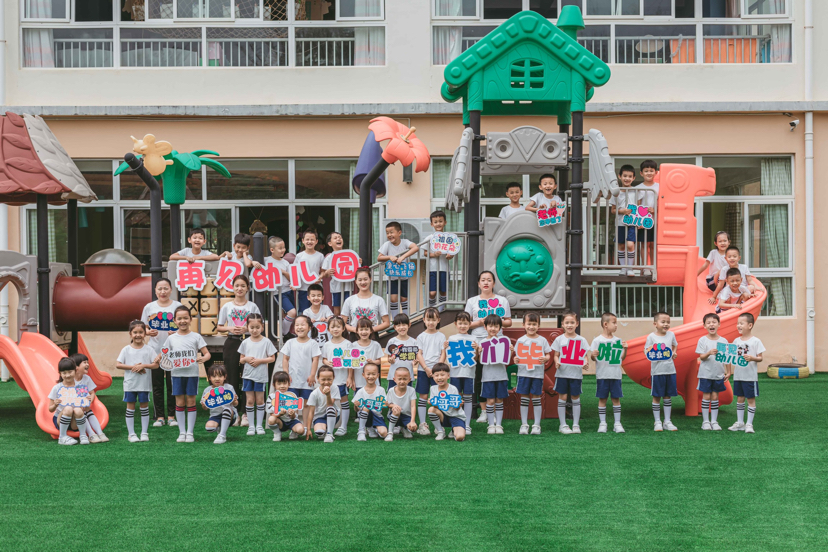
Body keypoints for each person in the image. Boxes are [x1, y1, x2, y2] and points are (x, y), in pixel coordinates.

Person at [156, 305, 210, 443]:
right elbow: (164, 352)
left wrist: (203, 358)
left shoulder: (196, 336)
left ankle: (190, 433)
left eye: (185, 318)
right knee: (179, 402)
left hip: (191, 374)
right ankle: (182, 432)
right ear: (174, 320)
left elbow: (207, 354)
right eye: (179, 318)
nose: (182, 321)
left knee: (191, 401)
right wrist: (159, 358)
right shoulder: (171, 338)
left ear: (191, 319)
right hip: (176, 374)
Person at [464, 271, 512, 424]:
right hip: (478, 341)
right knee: (479, 376)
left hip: (497, 343)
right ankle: (484, 410)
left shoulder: (502, 300)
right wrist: (480, 322)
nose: (486, 282)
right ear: (479, 284)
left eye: (489, 280)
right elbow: (465, 324)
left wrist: (495, 322)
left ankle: (496, 410)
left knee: (496, 375)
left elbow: (509, 321)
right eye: (483, 280)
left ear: (494, 283)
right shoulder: (472, 301)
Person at [216, 274, 261, 427]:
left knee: (247, 377)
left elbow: (259, 325)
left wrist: (247, 329)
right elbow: (219, 327)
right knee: (231, 377)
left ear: (248, 288)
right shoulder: (227, 306)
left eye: (243, 286)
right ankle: (233, 413)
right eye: (237, 286)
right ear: (232, 287)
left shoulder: (252, 306)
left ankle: (246, 413)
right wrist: (230, 328)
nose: (239, 288)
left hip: (249, 342)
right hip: (232, 342)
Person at [141, 277, 182, 428]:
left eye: (166, 288)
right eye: (160, 289)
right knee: (157, 385)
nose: (163, 291)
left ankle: (171, 416)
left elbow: (185, 326)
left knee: (172, 385)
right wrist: (147, 332)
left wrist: (177, 332)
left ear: (171, 290)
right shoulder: (149, 307)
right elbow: (143, 327)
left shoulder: (178, 306)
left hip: (173, 351)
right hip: (154, 351)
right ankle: (159, 417)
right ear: (155, 291)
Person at [115, 320, 159, 443]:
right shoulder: (126, 349)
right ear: (130, 334)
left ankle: (144, 433)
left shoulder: (149, 349)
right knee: (130, 408)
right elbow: (118, 364)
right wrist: (134, 367)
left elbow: (156, 365)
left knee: (144, 408)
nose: (138, 335)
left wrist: (143, 365)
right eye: (135, 332)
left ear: (145, 333)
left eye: (141, 332)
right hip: (130, 385)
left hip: (144, 385)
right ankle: (131, 434)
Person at [238, 313, 277, 436]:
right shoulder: (245, 342)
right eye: (252, 327)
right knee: (250, 400)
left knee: (260, 400)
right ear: (247, 327)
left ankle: (259, 425)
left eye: (257, 327)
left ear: (262, 327)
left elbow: (272, 358)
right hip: (248, 376)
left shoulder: (266, 341)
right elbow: (241, 359)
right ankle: (251, 426)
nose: (254, 330)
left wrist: (260, 361)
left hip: (260, 376)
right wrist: (246, 359)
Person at [551, 311, 589, 435]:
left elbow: (584, 355)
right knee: (562, 398)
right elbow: (556, 355)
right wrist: (557, 362)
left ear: (577, 323)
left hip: (576, 375)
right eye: (567, 322)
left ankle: (576, 424)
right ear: (562, 324)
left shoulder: (581, 340)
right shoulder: (559, 339)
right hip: (562, 374)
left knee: (575, 398)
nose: (569, 325)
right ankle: (562, 424)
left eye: (572, 322)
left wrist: (585, 362)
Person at [440, 311, 479, 433]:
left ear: (470, 324)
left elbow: (476, 359)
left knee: (468, 398)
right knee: (455, 399)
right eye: (460, 323)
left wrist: (477, 350)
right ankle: (456, 423)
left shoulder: (473, 339)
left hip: (469, 373)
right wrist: (444, 347)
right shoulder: (451, 339)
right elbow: (447, 355)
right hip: (455, 373)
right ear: (455, 324)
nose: (463, 326)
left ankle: (467, 424)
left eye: (465, 323)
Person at [589, 312, 627, 434]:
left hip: (616, 375)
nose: (616, 325)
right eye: (614, 323)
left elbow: (622, 358)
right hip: (602, 375)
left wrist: (625, 349)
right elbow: (593, 358)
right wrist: (593, 355)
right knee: (602, 399)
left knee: (616, 399)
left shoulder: (618, 340)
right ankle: (602, 423)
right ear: (605, 324)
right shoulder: (597, 340)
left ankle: (617, 423)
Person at [515, 312, 551, 435]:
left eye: (534, 324)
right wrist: (515, 359)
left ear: (538, 325)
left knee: (536, 398)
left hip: (537, 374)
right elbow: (517, 356)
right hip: (523, 373)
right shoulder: (521, 340)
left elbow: (548, 354)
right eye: (529, 324)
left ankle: (536, 425)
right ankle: (524, 424)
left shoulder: (542, 340)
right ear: (523, 325)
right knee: (524, 398)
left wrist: (546, 358)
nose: (531, 327)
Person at [729, 313, 765, 434]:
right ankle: (740, 423)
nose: (738, 325)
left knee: (750, 399)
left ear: (750, 325)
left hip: (750, 377)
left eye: (741, 323)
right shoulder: (736, 341)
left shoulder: (756, 341)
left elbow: (760, 358)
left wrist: (752, 358)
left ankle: (749, 424)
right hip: (738, 376)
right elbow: (730, 356)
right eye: (737, 323)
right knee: (740, 399)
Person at [255, 236, 295, 338]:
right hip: (278, 292)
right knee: (292, 312)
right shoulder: (266, 261)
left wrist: (283, 272)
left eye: (284, 247)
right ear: (272, 250)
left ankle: (284, 333)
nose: (283, 250)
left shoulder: (285, 262)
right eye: (280, 248)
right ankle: (284, 333)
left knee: (289, 314)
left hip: (288, 291)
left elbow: (291, 278)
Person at [414, 307, 446, 435]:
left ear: (438, 320)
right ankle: (422, 424)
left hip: (437, 372)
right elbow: (419, 354)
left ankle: (439, 425)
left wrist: (437, 369)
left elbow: (443, 353)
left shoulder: (441, 336)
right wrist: (426, 368)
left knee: (438, 397)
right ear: (424, 320)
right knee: (423, 396)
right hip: (423, 370)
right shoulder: (421, 337)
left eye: (433, 320)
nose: (431, 322)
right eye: (428, 319)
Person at [646, 311, 679, 432]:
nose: (666, 324)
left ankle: (667, 421)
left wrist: (674, 353)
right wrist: (651, 352)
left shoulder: (671, 335)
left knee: (667, 396)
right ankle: (657, 421)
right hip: (657, 372)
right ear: (655, 324)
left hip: (670, 370)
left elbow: (675, 345)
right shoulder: (651, 337)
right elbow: (647, 351)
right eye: (663, 322)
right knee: (656, 396)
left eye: (668, 322)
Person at [378, 221, 419, 318]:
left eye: (391, 232)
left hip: (404, 276)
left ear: (399, 233)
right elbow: (379, 258)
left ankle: (406, 319)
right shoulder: (387, 244)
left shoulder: (405, 242)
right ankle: (395, 320)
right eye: (387, 233)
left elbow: (415, 248)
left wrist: (403, 257)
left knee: (404, 298)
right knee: (393, 299)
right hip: (392, 277)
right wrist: (389, 257)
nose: (389, 235)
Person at [695, 313, 729, 431]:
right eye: (708, 323)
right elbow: (701, 357)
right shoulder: (702, 340)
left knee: (715, 397)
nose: (711, 325)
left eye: (714, 322)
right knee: (706, 396)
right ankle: (705, 422)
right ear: (704, 326)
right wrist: (709, 353)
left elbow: (727, 358)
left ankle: (714, 421)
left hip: (718, 374)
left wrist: (728, 372)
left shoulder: (723, 341)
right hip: (705, 374)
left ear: (719, 324)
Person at [479, 314, 511, 435]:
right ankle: (491, 425)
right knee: (490, 401)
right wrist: (478, 352)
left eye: (496, 326)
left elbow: (507, 359)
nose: (493, 329)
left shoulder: (504, 341)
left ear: (500, 328)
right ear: (485, 327)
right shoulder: (482, 342)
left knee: (499, 400)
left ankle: (499, 424)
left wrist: (511, 351)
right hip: (488, 377)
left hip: (501, 376)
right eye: (490, 326)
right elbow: (479, 360)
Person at [321, 316, 353, 436]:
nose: (335, 329)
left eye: (338, 327)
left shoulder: (348, 344)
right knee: (330, 401)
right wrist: (326, 362)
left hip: (342, 378)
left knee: (344, 401)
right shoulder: (327, 344)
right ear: (328, 329)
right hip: (329, 380)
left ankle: (343, 426)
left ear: (343, 328)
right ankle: (328, 425)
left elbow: (351, 362)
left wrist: (350, 377)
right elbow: (324, 358)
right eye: (333, 327)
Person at [279, 314, 321, 401]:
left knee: (306, 403)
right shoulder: (290, 342)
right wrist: (286, 374)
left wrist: (312, 375)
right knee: (292, 402)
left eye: (302, 325)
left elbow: (315, 360)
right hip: (292, 380)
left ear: (309, 328)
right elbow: (285, 359)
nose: (299, 327)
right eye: (297, 325)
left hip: (307, 380)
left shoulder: (313, 343)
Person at [48, 358, 88, 445]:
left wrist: (84, 404)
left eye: (70, 372)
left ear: (75, 371)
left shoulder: (80, 386)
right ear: (60, 374)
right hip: (60, 419)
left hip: (75, 421)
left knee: (77, 409)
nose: (67, 375)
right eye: (64, 373)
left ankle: (83, 435)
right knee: (68, 408)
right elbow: (50, 409)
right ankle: (62, 437)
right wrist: (55, 404)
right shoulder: (57, 388)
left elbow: (86, 405)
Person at [608, 165, 638, 276]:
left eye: (630, 176)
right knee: (621, 245)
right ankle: (623, 268)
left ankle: (630, 268)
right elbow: (613, 210)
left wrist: (639, 220)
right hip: (620, 223)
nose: (627, 178)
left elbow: (640, 208)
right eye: (625, 176)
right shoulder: (617, 193)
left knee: (630, 245)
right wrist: (622, 211)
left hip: (632, 223)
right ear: (619, 176)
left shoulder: (636, 191)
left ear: (633, 178)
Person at [341, 267, 390, 335]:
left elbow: (387, 322)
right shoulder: (349, 300)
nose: (363, 282)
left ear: (370, 279)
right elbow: (342, 323)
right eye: (360, 280)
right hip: (355, 335)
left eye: (365, 279)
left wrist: (371, 330)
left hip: (372, 335)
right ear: (356, 281)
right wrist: (355, 330)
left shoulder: (379, 300)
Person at [71, 353, 107, 443]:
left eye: (87, 362)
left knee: (87, 409)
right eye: (84, 362)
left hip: (85, 405)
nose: (87, 364)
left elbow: (92, 392)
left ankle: (100, 433)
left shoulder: (86, 378)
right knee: (82, 410)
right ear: (76, 367)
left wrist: (90, 401)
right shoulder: (70, 380)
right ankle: (91, 434)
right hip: (74, 407)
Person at [422, 210, 453, 310]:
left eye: (440, 221)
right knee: (432, 292)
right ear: (432, 224)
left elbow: (452, 252)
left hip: (444, 268)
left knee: (443, 291)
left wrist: (450, 255)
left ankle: (439, 311)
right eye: (435, 222)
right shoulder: (430, 238)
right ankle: (432, 310)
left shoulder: (448, 238)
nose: (438, 224)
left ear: (445, 222)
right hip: (432, 269)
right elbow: (425, 253)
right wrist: (434, 254)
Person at [200, 365, 239, 445]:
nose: (217, 379)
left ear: (225, 377)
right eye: (214, 376)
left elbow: (236, 404)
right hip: (215, 415)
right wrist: (204, 404)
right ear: (209, 377)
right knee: (209, 428)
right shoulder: (207, 390)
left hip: (230, 414)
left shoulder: (229, 388)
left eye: (220, 376)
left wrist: (234, 400)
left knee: (226, 409)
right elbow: (205, 408)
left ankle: (222, 435)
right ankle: (220, 428)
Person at [428, 362, 467, 442]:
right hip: (443, 416)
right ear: (433, 377)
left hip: (456, 416)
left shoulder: (453, 389)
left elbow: (456, 409)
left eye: (442, 375)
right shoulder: (433, 388)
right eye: (436, 375)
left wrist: (459, 405)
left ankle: (454, 429)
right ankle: (440, 431)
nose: (439, 378)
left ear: (448, 376)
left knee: (460, 437)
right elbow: (436, 407)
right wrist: (433, 403)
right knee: (431, 409)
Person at [302, 365, 341, 443]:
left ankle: (329, 434)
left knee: (330, 409)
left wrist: (328, 395)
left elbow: (330, 405)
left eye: (329, 379)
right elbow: (311, 412)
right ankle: (325, 429)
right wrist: (308, 429)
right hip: (319, 416)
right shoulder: (314, 393)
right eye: (323, 379)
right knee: (319, 433)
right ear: (318, 378)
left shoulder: (334, 388)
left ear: (333, 378)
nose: (326, 382)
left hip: (333, 413)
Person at [352, 362, 388, 441]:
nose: (371, 377)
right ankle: (361, 431)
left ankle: (372, 428)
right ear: (363, 375)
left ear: (377, 375)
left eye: (373, 374)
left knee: (384, 433)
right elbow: (357, 410)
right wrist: (356, 405)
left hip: (377, 416)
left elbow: (382, 408)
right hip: (365, 416)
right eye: (368, 374)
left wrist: (385, 404)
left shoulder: (381, 390)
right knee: (366, 407)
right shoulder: (361, 391)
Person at [320, 231, 354, 316]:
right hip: (336, 287)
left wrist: (359, 261)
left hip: (348, 286)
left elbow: (356, 267)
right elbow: (323, 272)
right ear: (330, 243)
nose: (338, 239)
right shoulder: (329, 257)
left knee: (349, 308)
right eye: (335, 238)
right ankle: (337, 323)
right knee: (337, 309)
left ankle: (348, 324)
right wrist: (327, 272)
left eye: (340, 237)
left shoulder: (349, 254)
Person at [635, 160, 659, 274]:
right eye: (646, 171)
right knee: (644, 244)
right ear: (641, 173)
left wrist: (656, 210)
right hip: (643, 221)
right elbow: (637, 205)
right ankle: (645, 267)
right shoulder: (638, 188)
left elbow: (663, 203)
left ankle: (653, 267)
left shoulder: (660, 187)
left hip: (656, 221)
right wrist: (638, 221)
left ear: (656, 172)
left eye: (651, 170)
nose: (649, 173)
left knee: (653, 245)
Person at [266, 371, 305, 441]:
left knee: (301, 430)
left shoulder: (292, 396)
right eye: (279, 384)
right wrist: (280, 414)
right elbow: (272, 414)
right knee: (271, 419)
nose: (282, 386)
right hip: (280, 422)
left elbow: (294, 417)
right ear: (274, 385)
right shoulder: (272, 397)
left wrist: (292, 414)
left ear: (289, 384)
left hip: (292, 421)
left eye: (284, 383)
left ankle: (294, 432)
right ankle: (277, 433)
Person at [293, 229, 325, 312]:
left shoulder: (320, 256)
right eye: (307, 239)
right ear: (303, 241)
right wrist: (294, 284)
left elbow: (323, 271)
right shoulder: (299, 256)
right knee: (304, 311)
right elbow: (295, 272)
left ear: (316, 241)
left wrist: (320, 277)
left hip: (316, 288)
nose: (309, 242)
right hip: (303, 288)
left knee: (317, 310)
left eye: (312, 240)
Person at [385, 366, 418, 441]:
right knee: (396, 411)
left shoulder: (411, 390)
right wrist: (393, 405)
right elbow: (387, 404)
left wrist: (412, 421)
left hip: (406, 415)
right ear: (394, 379)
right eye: (399, 379)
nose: (402, 381)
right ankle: (390, 433)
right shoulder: (391, 390)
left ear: (409, 379)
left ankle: (404, 428)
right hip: (394, 414)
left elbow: (413, 406)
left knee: (413, 429)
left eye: (405, 379)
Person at [386, 313, 418, 390]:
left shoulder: (414, 342)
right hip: (394, 375)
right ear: (395, 327)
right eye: (398, 325)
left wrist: (415, 362)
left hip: (408, 376)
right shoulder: (392, 341)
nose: (401, 327)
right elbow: (389, 358)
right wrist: (391, 360)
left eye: (404, 325)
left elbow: (415, 358)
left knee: (407, 394)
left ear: (409, 325)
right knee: (392, 394)